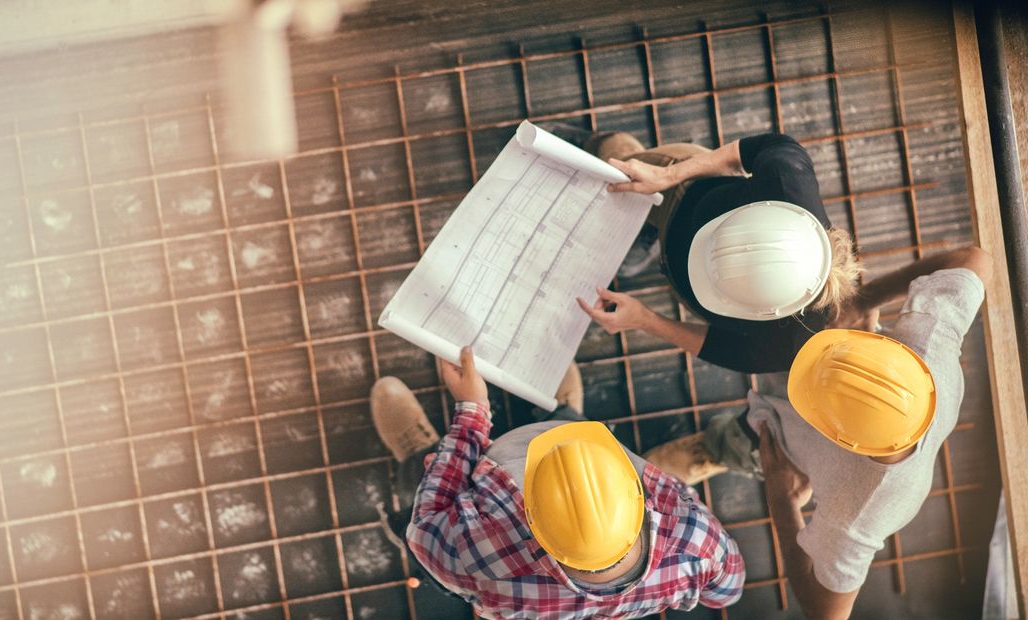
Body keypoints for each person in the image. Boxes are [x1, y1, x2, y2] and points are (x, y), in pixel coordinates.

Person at [645, 246, 994, 618]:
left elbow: (827, 613)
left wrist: (783, 503)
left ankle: (714, 450)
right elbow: (975, 259)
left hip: (780, 444)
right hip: (822, 397)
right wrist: (864, 299)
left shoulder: (857, 513)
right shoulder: (930, 345)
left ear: (836, 436)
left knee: (740, 443)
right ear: (895, 354)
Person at [370, 348, 745, 618]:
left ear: (530, 517)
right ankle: (566, 414)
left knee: (427, 477)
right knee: (573, 426)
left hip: (480, 506)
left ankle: (425, 453)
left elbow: (425, 529)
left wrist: (471, 412)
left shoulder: (480, 555)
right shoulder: (698, 544)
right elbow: (726, 592)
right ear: (640, 499)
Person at [548, 124, 862, 375]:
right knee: (615, 166)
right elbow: (746, 152)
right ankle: (599, 141)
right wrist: (667, 175)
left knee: (628, 246)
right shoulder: (786, 177)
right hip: (683, 188)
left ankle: (650, 239)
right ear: (761, 208)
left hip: (676, 258)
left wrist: (644, 319)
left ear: (765, 312)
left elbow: (715, 345)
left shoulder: (789, 344)